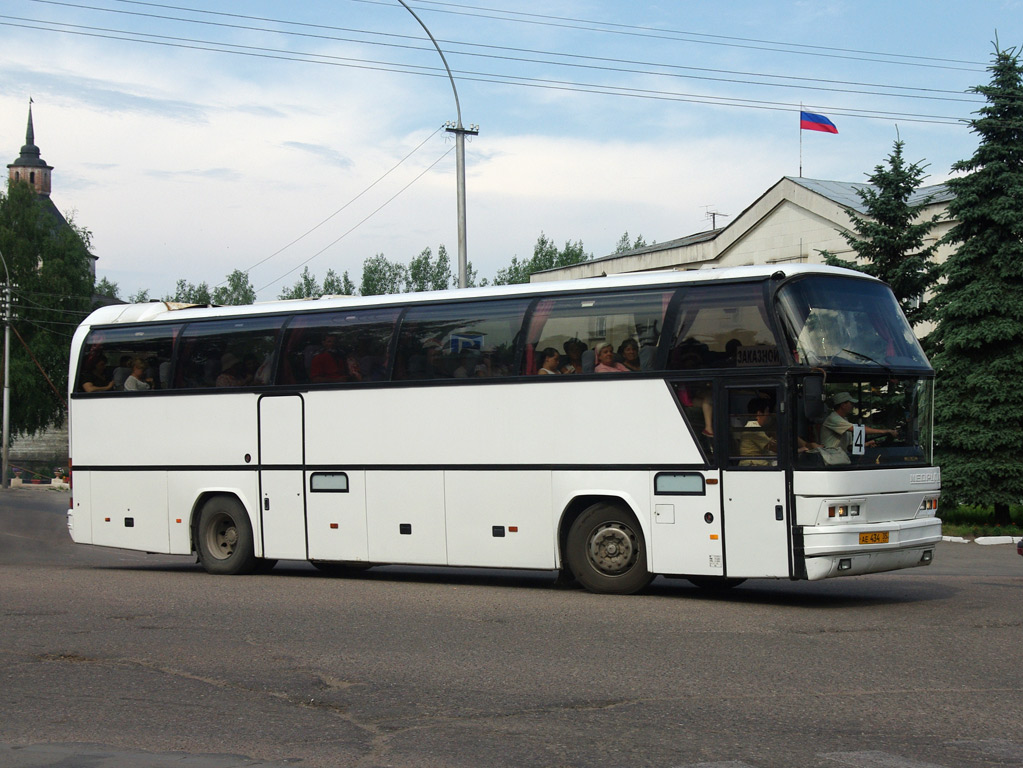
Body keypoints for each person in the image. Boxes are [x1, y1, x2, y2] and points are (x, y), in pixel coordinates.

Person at [820, 391, 896, 462]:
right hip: (831, 460)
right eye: (851, 403)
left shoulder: (844, 419)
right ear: (843, 405)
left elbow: (849, 447)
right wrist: (886, 431)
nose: (852, 406)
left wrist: (866, 444)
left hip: (842, 458)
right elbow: (857, 429)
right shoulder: (834, 418)